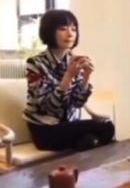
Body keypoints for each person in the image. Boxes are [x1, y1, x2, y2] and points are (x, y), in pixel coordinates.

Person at [23, 9, 115, 151]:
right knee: (103, 130)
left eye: (73, 29)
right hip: (44, 129)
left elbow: (77, 103)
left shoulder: (73, 61)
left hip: (68, 125)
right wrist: (69, 76)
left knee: (102, 132)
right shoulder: (35, 64)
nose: (70, 33)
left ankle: (83, 148)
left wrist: (86, 76)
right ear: (49, 31)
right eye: (63, 28)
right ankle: (84, 147)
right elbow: (49, 107)